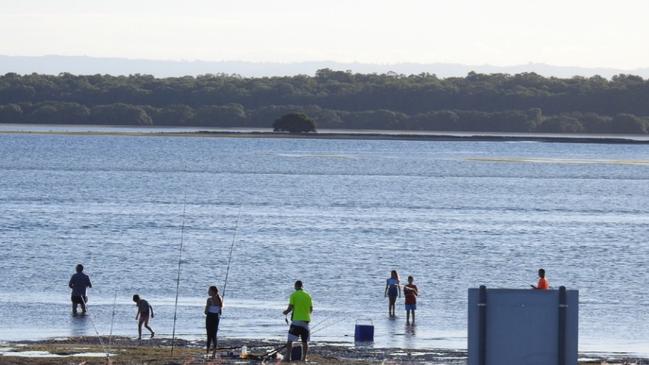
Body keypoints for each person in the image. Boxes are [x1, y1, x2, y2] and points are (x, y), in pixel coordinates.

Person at [283, 280, 313, 361]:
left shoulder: (294, 295)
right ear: (302, 286)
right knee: (305, 342)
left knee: (290, 340)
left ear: (296, 286)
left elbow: (290, 308)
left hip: (296, 321)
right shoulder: (308, 295)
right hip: (306, 322)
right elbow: (310, 310)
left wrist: (285, 312)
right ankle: (303, 358)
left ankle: (287, 357)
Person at [204, 285, 223, 359]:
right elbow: (220, 312)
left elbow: (205, 312)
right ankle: (214, 353)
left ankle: (207, 352)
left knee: (209, 335)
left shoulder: (209, 300)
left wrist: (208, 308)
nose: (208, 292)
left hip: (209, 317)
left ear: (213, 291)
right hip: (216, 318)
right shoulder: (220, 299)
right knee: (214, 335)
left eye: (209, 291)